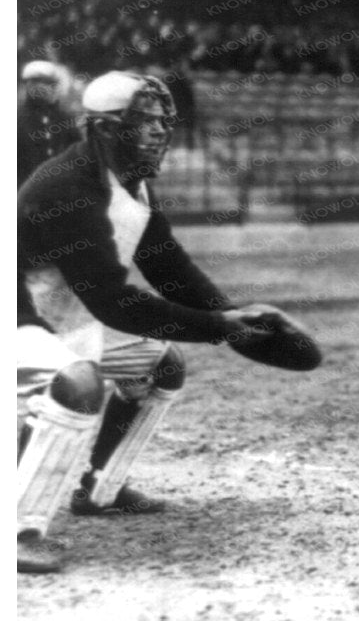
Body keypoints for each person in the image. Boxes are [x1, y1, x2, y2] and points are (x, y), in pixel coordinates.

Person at [17, 71, 320, 574]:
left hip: (63, 313)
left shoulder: (129, 184)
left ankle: (101, 488)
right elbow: (113, 301)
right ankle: (18, 531)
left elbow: (167, 266)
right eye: (143, 121)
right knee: (79, 385)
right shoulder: (67, 188)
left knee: (160, 366)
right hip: (21, 316)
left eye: (161, 120)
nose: (158, 131)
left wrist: (232, 318)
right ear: (104, 130)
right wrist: (221, 327)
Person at [17, 60, 79, 185]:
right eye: (45, 83)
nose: (51, 89)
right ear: (28, 86)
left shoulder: (65, 118)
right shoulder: (18, 120)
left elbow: (77, 153)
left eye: (52, 84)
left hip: (63, 189)